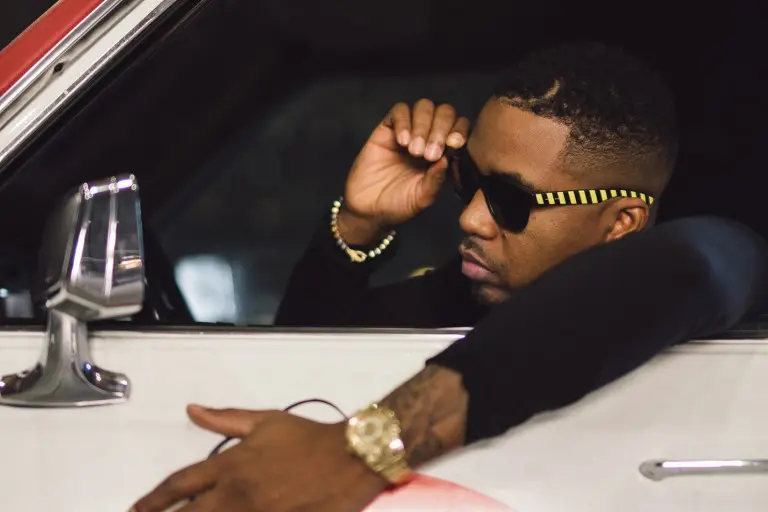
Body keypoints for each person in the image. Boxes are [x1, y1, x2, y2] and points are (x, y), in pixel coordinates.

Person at [130, 43, 768, 512]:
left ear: (623, 221)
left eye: (512, 200)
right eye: (469, 180)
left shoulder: (718, 256)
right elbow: (310, 370)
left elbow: (660, 278)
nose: (469, 217)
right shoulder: (459, 293)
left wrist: (360, 453)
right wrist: (358, 227)